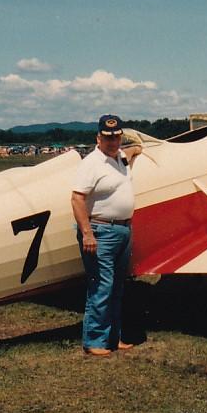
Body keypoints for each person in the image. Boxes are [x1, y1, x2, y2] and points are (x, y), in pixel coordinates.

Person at [71, 115, 136, 357]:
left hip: (123, 230)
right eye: (107, 137)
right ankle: (94, 342)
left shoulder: (120, 158)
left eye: (117, 136)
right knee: (102, 286)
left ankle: (112, 338)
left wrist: (136, 150)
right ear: (98, 137)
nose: (112, 141)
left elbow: (132, 153)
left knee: (117, 287)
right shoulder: (91, 163)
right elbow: (77, 198)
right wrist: (87, 233)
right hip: (101, 231)